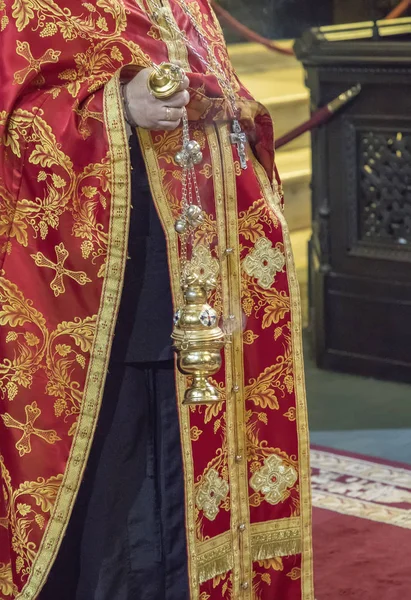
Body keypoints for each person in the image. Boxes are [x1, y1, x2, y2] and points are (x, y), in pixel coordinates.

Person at [0, 1, 313, 599]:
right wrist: (115, 107)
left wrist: (230, 109)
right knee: (117, 511)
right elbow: (17, 120)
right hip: (98, 305)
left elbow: (222, 87)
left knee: (185, 483)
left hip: (196, 282)